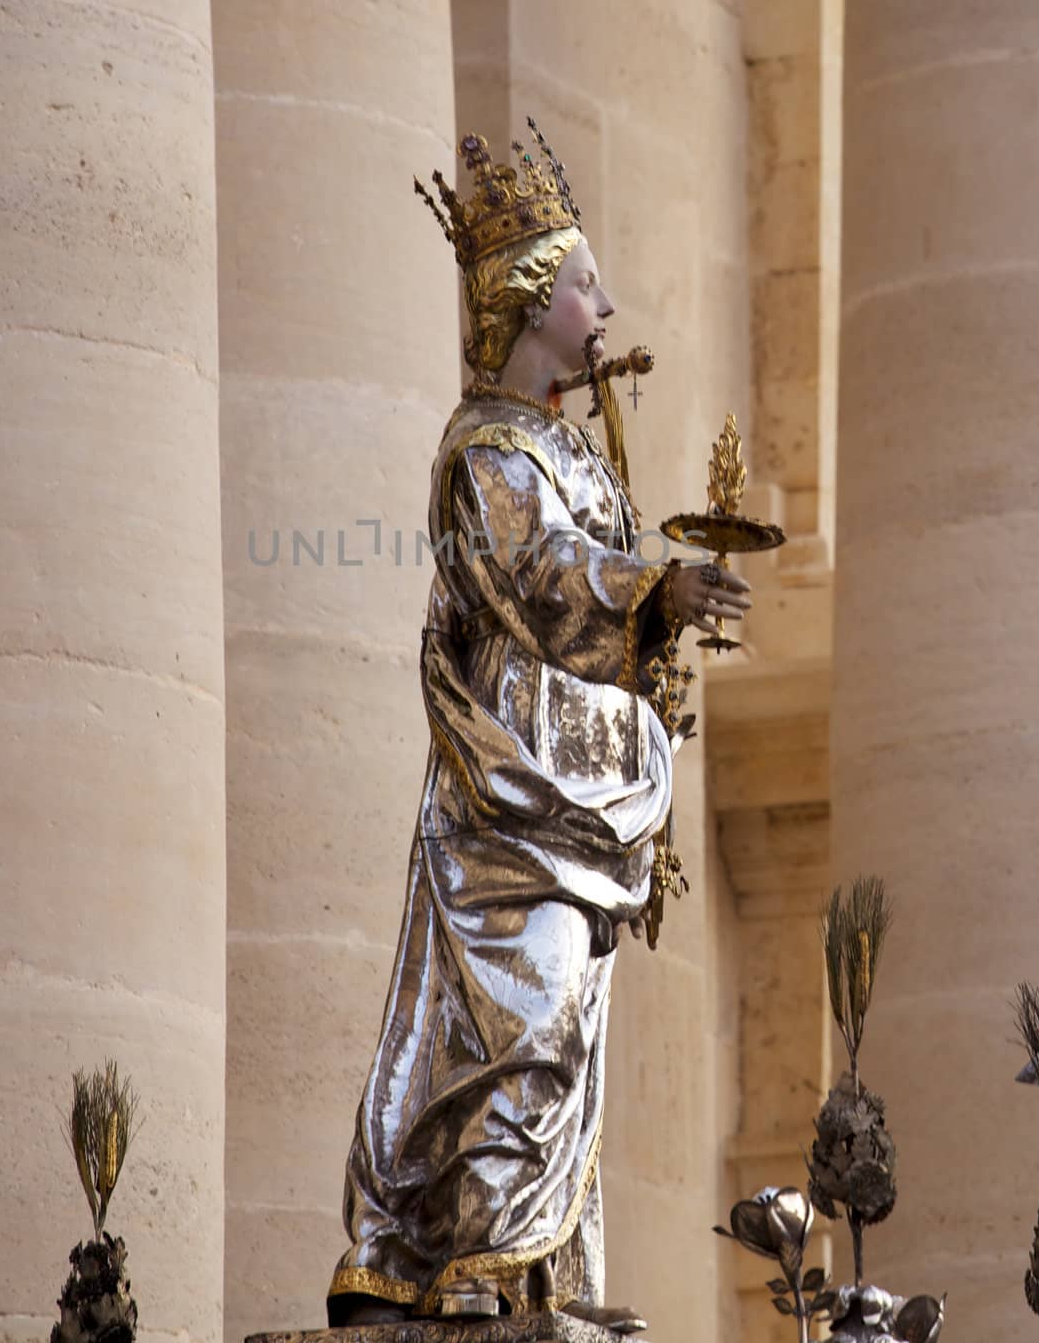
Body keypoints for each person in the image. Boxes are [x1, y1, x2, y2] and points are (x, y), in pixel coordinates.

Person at [326, 129, 750, 1328]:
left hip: (583, 789)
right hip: (513, 794)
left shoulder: (569, 447)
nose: (605, 304)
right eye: (582, 283)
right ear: (527, 298)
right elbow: (542, 573)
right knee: (526, 1013)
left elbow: (598, 571)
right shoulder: (487, 452)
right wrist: (648, 593)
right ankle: (479, 1261)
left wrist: (667, 622)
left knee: (562, 1036)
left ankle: (532, 1271)